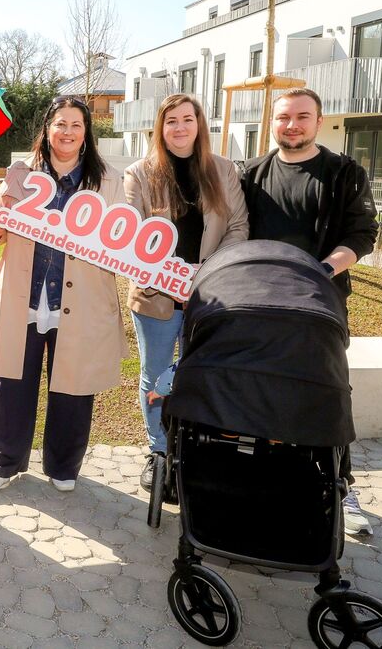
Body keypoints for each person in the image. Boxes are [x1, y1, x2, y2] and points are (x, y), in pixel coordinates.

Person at [0, 96, 129, 502]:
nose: (68, 132)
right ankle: (1, 463)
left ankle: (64, 465)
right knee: (12, 383)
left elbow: (123, 243)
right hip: (25, 293)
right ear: (47, 129)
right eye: (60, 124)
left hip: (82, 299)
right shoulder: (21, 173)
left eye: (76, 125)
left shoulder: (109, 180)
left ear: (86, 132)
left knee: (73, 387)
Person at [241, 87, 379, 535]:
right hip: (262, 308)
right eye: (283, 117)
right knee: (261, 394)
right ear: (272, 123)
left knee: (327, 395)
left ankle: (341, 488)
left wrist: (320, 270)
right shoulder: (251, 175)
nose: (292, 125)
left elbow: (362, 236)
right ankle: (265, 485)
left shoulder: (343, 174)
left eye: (302, 116)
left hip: (321, 306)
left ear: (319, 122)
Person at [125, 93, 248, 501]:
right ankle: (158, 452)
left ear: (200, 124)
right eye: (171, 121)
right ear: (159, 128)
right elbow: (131, 237)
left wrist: (208, 272)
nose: (180, 128)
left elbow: (238, 227)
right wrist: (167, 274)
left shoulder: (224, 170)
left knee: (199, 376)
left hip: (207, 298)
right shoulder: (139, 175)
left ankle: (191, 452)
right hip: (156, 297)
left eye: (187, 119)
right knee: (157, 376)